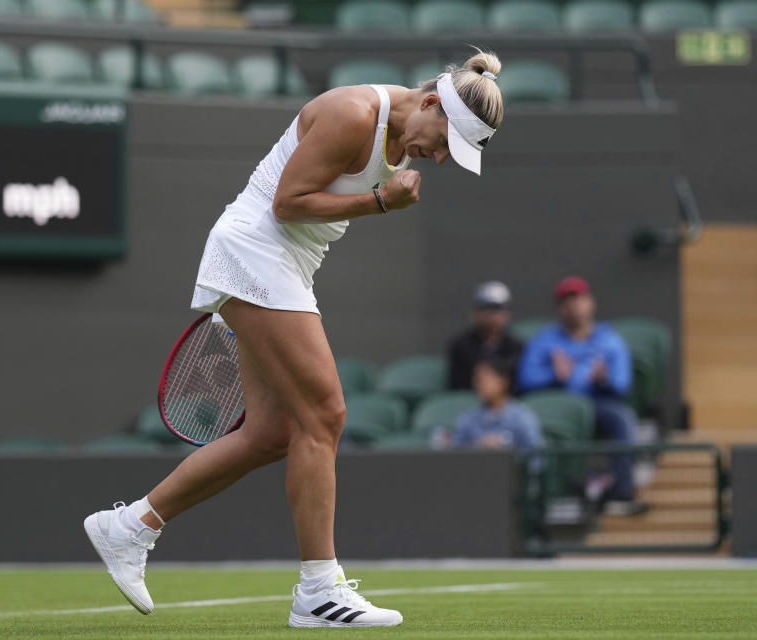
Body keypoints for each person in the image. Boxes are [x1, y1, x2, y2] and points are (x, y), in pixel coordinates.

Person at [82, 50, 505, 628]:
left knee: (271, 433)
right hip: (256, 252)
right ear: (431, 103)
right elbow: (287, 205)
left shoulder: (403, 130)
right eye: (443, 142)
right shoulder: (354, 113)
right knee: (326, 413)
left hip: (285, 266)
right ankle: (318, 590)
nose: (438, 157)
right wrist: (380, 201)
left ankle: (130, 526)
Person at [517, 276, 648, 516]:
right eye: (567, 301)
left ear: (591, 303)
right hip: (556, 403)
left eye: (579, 299)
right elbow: (525, 380)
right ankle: (539, 496)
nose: (574, 306)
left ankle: (622, 493)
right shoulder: (544, 340)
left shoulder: (610, 340)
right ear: (559, 308)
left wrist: (603, 380)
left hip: (597, 402)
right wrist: (554, 377)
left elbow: (623, 385)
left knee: (623, 418)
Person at [448, 356, 542, 453]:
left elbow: (536, 458)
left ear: (504, 381)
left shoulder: (522, 417)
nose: (480, 385)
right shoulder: (468, 418)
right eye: (477, 380)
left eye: (486, 379)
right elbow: (455, 455)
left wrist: (507, 452)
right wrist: (477, 447)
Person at [447, 281, 523, 391]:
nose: (492, 316)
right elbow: (457, 385)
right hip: (470, 403)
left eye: (498, 309)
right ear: (475, 312)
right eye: (486, 308)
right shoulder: (461, 345)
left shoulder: (516, 347)